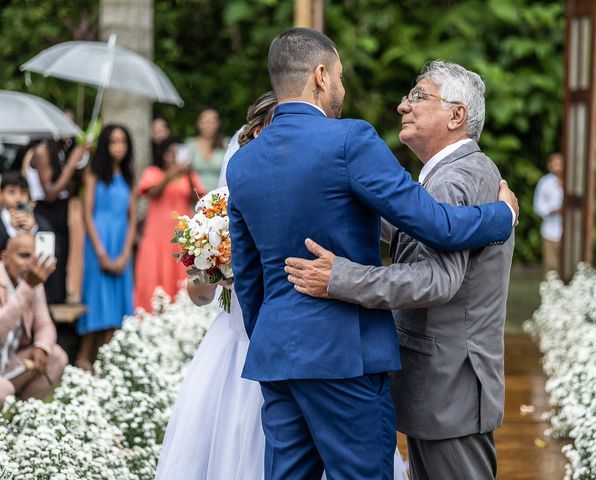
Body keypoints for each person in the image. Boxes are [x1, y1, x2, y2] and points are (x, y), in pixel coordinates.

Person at [227, 28, 518, 480]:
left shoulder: (243, 162)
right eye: (340, 76)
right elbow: (435, 224)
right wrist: (502, 215)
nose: (343, 88)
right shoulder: (349, 141)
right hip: (346, 354)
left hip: (279, 356)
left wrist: (280, 335)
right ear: (321, 77)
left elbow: (248, 278)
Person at [155, 91, 410, 480]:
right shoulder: (216, 208)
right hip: (239, 348)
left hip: (296, 343)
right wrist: (216, 273)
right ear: (254, 132)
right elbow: (199, 291)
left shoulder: (308, 191)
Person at [75, 125, 136, 372]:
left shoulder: (129, 174)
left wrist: (125, 254)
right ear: (105, 145)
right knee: (97, 298)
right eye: (113, 142)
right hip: (98, 241)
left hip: (121, 241)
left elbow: (132, 218)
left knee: (116, 304)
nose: (118, 147)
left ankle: (107, 365)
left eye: (122, 142)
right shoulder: (94, 173)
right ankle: (84, 360)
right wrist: (101, 252)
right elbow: (87, 214)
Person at [134, 136, 204, 312]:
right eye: (169, 153)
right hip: (156, 238)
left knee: (180, 279)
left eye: (176, 153)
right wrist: (169, 174)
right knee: (152, 279)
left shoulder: (188, 176)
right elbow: (152, 193)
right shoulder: (153, 172)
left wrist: (187, 174)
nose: (173, 157)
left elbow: (198, 199)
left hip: (180, 238)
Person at [0, 232, 67, 406]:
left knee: (56, 356)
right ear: (5, 257)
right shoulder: (29, 282)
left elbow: (44, 325)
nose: (30, 263)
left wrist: (41, 347)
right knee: (4, 389)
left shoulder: (32, 282)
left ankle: (24, 417)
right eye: (24, 256)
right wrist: (28, 287)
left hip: (8, 362)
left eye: (34, 257)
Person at [30, 139, 91, 303]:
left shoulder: (62, 150)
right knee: (50, 257)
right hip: (46, 211)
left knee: (62, 262)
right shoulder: (42, 150)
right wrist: (71, 164)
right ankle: (46, 306)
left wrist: (81, 160)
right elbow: (50, 193)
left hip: (61, 210)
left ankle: (57, 303)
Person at [0, 171, 50, 251]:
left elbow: (51, 251)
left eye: (23, 192)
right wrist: (12, 230)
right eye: (11, 192)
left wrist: (33, 230)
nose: (18, 198)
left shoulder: (38, 221)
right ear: (1, 194)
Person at [533, 152, 563, 274]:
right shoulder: (544, 183)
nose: (557, 166)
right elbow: (538, 206)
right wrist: (551, 211)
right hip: (550, 231)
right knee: (551, 266)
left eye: (560, 163)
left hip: (569, 232)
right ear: (549, 165)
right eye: (554, 163)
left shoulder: (572, 181)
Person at [186, 106, 226, 191]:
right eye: (205, 121)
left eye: (212, 122)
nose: (208, 125)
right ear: (198, 123)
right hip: (194, 198)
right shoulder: (189, 145)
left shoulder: (226, 144)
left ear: (218, 123)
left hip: (220, 200)